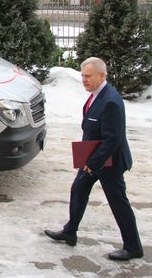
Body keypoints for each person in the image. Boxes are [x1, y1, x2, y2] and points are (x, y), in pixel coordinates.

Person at [45, 57, 143, 261]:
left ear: (102, 75)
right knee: (78, 190)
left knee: (118, 202)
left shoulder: (111, 101)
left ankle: (133, 247)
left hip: (109, 162)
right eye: (82, 76)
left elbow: (113, 139)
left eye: (88, 76)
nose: (84, 80)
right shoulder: (96, 96)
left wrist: (92, 163)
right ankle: (70, 232)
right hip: (94, 158)